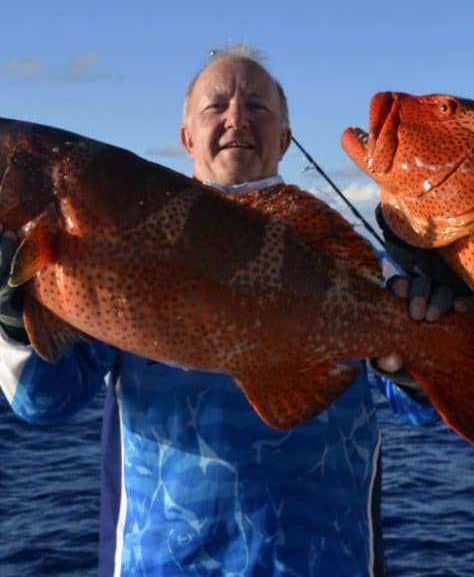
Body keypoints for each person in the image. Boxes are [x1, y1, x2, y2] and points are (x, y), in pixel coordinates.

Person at [0, 46, 439, 577]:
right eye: (216, 106)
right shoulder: (112, 241)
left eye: (257, 105)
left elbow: (423, 406)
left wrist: (421, 350)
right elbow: (43, 402)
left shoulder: (351, 261)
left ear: (283, 138)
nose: (237, 118)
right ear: (186, 138)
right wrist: (10, 314)